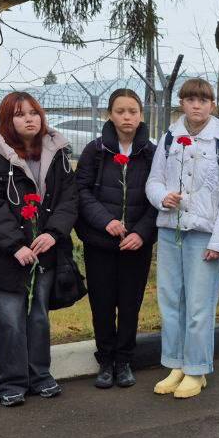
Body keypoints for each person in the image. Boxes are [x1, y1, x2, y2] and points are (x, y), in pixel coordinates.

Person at [0, 92, 78, 407]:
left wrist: (53, 233)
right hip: (5, 256)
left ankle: (40, 375)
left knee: (38, 318)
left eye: (34, 112)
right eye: (20, 114)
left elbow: (68, 198)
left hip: (44, 250)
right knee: (9, 320)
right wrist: (14, 244)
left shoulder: (57, 153)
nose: (29, 119)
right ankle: (9, 381)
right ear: (8, 120)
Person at [144, 77, 219, 400]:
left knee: (199, 305)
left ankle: (197, 369)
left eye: (203, 100)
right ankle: (176, 364)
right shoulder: (169, 138)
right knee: (171, 302)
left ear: (212, 105)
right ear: (182, 103)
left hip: (204, 234)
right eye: (190, 99)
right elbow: (153, 180)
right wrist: (162, 197)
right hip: (171, 229)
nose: (196, 105)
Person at [75, 88, 157, 389]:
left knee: (130, 304)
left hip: (136, 245)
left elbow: (157, 199)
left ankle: (124, 360)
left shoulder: (151, 153)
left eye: (132, 111)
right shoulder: (95, 152)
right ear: (109, 114)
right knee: (103, 304)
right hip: (101, 244)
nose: (126, 117)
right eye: (120, 111)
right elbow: (81, 192)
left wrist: (141, 232)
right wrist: (105, 221)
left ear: (141, 116)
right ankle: (106, 360)